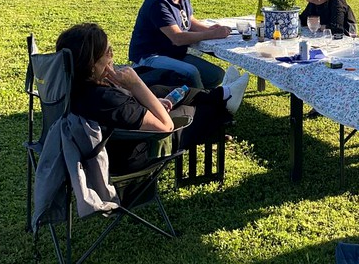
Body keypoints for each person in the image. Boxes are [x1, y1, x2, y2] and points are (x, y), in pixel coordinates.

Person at [57, 23, 249, 174]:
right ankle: (225, 103)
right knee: (198, 112)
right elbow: (166, 127)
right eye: (108, 52)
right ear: (91, 65)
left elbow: (124, 107)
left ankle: (222, 93)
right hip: (136, 154)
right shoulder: (107, 101)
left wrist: (137, 93)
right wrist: (136, 84)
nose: (112, 56)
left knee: (160, 90)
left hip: (116, 141)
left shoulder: (70, 86)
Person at [129, 0, 233, 89]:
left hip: (173, 54)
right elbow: (177, 38)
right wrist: (211, 34)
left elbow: (189, 20)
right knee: (191, 72)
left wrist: (209, 29)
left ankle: (189, 93)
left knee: (216, 75)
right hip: (149, 57)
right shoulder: (158, 4)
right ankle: (204, 102)